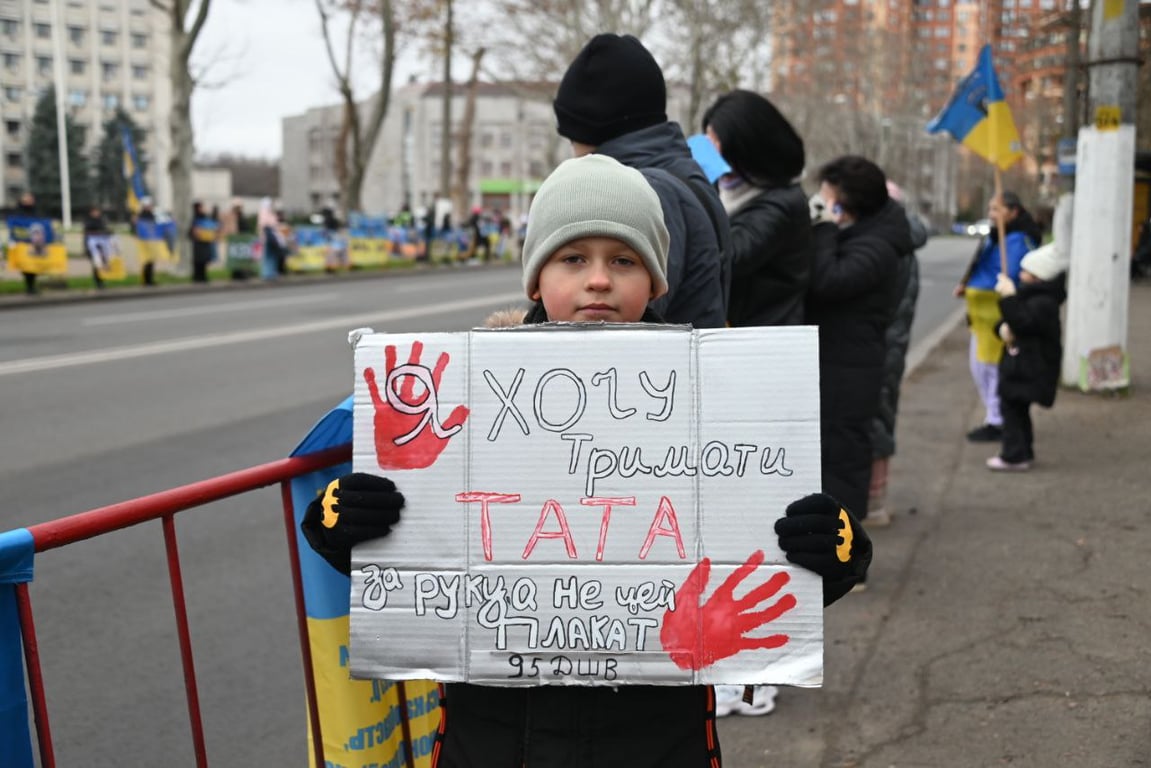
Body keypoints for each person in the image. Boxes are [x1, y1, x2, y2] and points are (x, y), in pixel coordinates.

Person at [300, 154, 872, 767]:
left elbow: (772, 556)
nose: (598, 280)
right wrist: (342, 525)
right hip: (491, 744)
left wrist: (833, 550)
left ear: (654, 282)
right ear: (535, 278)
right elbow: (407, 565)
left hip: (657, 744)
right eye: (574, 258)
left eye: (623, 260)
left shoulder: (719, 401)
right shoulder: (463, 404)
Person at [553, 33, 730, 328]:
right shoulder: (684, 176)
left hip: (655, 372)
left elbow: (615, 321)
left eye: (572, 138)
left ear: (588, 132)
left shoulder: (643, 192)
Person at [806, 156, 911, 536]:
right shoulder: (869, 234)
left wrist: (823, 229)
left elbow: (829, 281)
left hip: (851, 368)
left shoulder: (879, 246)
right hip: (838, 361)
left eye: (828, 198)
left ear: (847, 206)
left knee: (844, 462)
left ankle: (847, 559)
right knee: (829, 457)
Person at [700, 89, 811, 327]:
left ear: (746, 147)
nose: (710, 151)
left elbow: (727, 258)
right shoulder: (726, 188)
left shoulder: (783, 204)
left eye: (716, 142)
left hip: (764, 341)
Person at [954, 192, 1041, 443]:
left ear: (1013, 212)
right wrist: (967, 286)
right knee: (981, 367)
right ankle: (995, 416)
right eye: (990, 209)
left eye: (997, 209)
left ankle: (998, 419)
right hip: (981, 315)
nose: (991, 214)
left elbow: (1011, 274)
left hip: (995, 313)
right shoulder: (999, 237)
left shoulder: (1018, 240)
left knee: (990, 368)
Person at [866, 181, 929, 527]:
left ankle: (875, 502)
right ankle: (877, 496)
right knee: (882, 414)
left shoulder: (890, 247)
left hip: (883, 342)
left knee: (877, 417)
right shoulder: (902, 242)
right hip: (893, 340)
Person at [986, 241, 1068, 471]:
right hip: (1023, 365)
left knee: (1012, 409)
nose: (1021, 274)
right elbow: (1012, 321)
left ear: (1039, 276)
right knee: (1017, 409)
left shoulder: (1043, 303)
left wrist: (1008, 299)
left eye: (1026, 271)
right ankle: (1023, 451)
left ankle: (1014, 455)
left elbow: (1021, 322)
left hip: (1028, 367)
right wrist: (1002, 328)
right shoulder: (1034, 298)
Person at [15, 192, 39, 295]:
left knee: (34, 264)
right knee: (26, 264)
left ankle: (32, 286)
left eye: (30, 198)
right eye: (26, 198)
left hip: (35, 241)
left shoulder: (35, 211)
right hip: (23, 242)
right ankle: (29, 286)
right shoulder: (19, 211)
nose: (29, 200)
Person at [82, 205, 111, 289]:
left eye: (97, 211)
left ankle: (102, 280)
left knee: (102, 263)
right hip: (93, 246)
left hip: (101, 245)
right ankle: (98, 281)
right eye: (95, 211)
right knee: (96, 264)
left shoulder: (102, 221)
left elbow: (106, 231)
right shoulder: (88, 222)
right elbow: (87, 234)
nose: (97, 213)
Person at [188, 201, 215, 283]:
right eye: (202, 207)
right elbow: (190, 232)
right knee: (198, 260)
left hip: (205, 241)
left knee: (204, 260)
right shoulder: (195, 219)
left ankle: (203, 276)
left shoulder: (205, 217)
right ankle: (197, 276)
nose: (204, 209)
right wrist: (195, 234)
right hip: (198, 242)